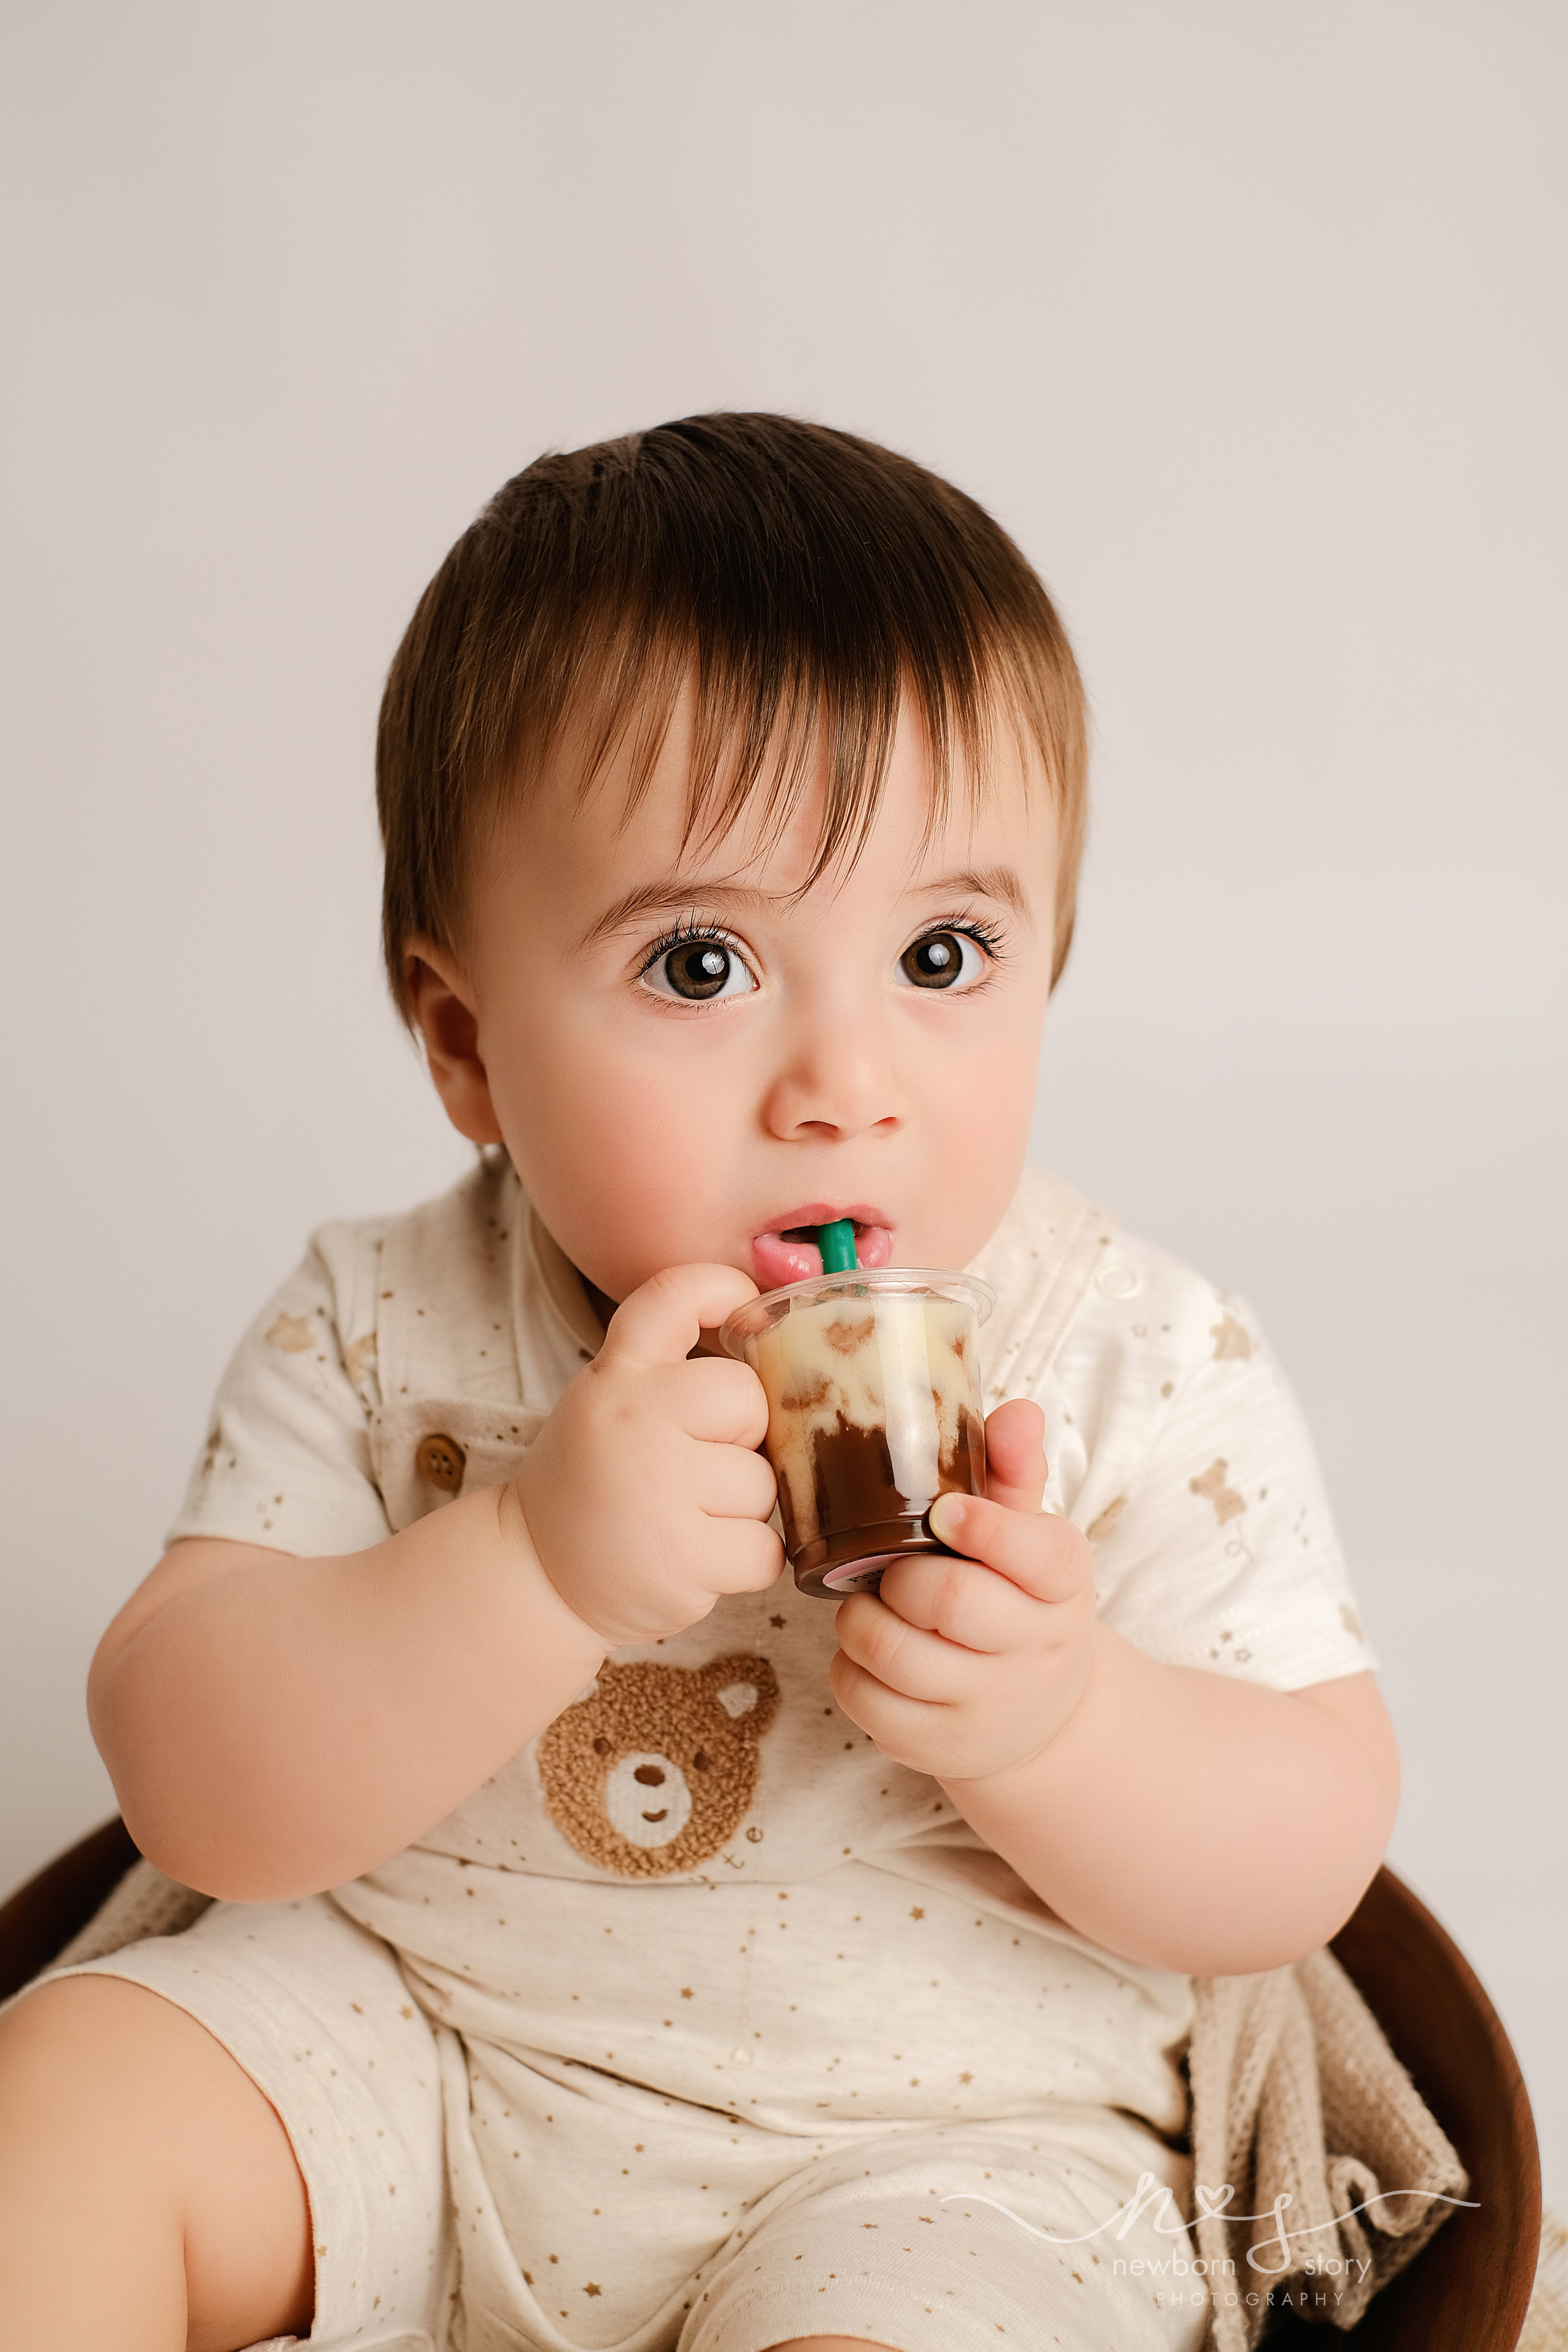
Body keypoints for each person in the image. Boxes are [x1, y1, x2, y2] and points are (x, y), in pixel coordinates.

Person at [0, 413, 1399, 2352]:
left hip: (934, 2153)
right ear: (466, 1043)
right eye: (702, 967)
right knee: (62, 2104)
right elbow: (192, 1784)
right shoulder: (386, 1318)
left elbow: (1314, 1846)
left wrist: (1063, 1722)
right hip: (416, 2056)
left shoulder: (1127, 1358)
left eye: (940, 949)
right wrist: (526, 1567)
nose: (843, 1078)